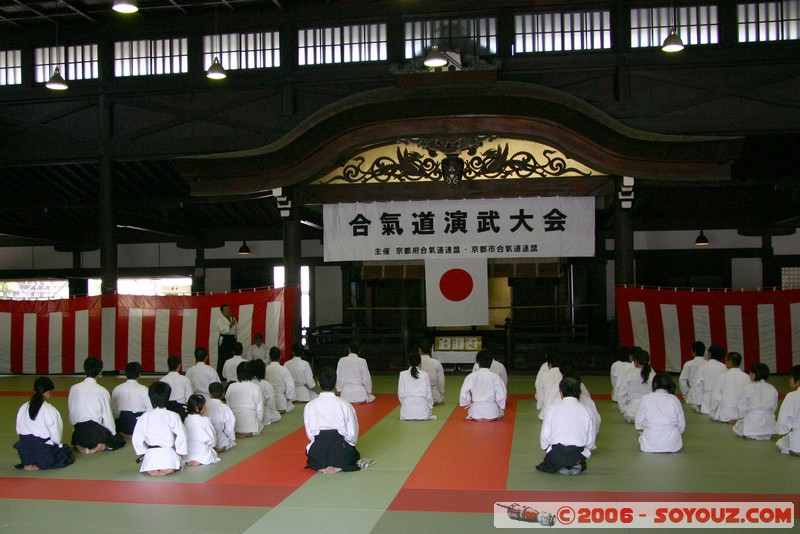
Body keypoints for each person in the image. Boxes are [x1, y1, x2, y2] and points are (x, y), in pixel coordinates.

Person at [304, 367, 368, 473]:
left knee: (314, 455)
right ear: (336, 383)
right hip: (342, 450)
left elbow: (310, 434)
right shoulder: (345, 404)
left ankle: (323, 464)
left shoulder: (310, 405)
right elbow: (352, 434)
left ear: (318, 383)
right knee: (353, 455)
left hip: (319, 451)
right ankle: (339, 464)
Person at [536, 375, 596, 475]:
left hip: (556, 454)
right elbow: (590, 442)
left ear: (561, 393)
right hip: (578, 454)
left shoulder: (552, 408)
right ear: (579, 393)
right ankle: (575, 464)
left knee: (548, 462)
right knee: (578, 457)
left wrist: (547, 449)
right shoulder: (587, 410)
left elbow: (544, 437)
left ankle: (560, 464)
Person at [13, 377, 75, 471]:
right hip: (42, 451)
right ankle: (40, 464)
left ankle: (29, 463)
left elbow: (19, 431)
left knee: (34, 447)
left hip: (24, 453)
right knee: (66, 453)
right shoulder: (50, 410)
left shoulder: (23, 407)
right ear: (48, 392)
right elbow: (57, 439)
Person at [68, 357, 126, 454]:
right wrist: (113, 434)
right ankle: (101, 446)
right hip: (95, 432)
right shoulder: (102, 391)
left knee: (82, 439)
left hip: (78, 432)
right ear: (99, 372)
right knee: (119, 441)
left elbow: (72, 413)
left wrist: (75, 429)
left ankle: (80, 446)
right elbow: (108, 417)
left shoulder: (74, 388)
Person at [132, 381, 188, 477]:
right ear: (167, 398)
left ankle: (151, 467)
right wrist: (180, 452)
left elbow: (136, 439)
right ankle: (169, 468)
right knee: (173, 462)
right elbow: (182, 435)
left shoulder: (144, 417)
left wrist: (143, 453)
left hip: (150, 455)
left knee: (150, 463)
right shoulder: (173, 415)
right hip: (168, 454)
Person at [635, 372, 685, 453]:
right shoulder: (674, 399)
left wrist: (642, 430)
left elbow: (638, 422)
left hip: (650, 443)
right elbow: (681, 424)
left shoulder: (646, 398)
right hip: (672, 444)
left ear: (654, 384)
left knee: (644, 435)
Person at [733, 362, 778, 440]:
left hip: (753, 422)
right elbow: (774, 407)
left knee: (736, 428)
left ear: (754, 375)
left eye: (750, 372)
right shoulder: (772, 388)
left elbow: (741, 406)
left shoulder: (748, 388)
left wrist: (743, 417)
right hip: (768, 424)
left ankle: (753, 432)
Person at [459, 349, 507, 421]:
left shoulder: (471, 376)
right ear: (491, 362)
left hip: (475, 413)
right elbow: (502, 395)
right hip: (492, 413)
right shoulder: (496, 377)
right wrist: (500, 405)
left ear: (478, 362)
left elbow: (463, 394)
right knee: (499, 411)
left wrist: (468, 404)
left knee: (472, 410)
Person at [111, 362, 152, 437]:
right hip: (138, 424)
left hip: (123, 423)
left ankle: (123, 434)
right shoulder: (144, 389)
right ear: (139, 375)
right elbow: (150, 409)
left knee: (117, 422)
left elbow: (114, 410)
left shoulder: (117, 389)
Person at [225, 362, 264, 437]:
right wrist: (258, 420)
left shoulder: (231, 387)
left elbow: (228, 407)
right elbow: (260, 409)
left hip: (234, 426)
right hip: (251, 426)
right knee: (260, 425)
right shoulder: (255, 387)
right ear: (251, 373)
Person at [710, 352, 750, 423]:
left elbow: (715, 397)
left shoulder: (722, 377)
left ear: (730, 362)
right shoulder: (747, 377)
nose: (725, 362)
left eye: (726, 360)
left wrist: (713, 410)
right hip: (742, 414)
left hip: (726, 413)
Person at [617, 349, 654, 423]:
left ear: (635, 361)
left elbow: (621, 393)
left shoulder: (629, 374)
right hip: (649, 412)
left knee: (633, 416)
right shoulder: (652, 374)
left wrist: (624, 409)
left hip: (632, 413)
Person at [183, 394, 221, 467]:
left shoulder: (186, 419)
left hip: (188, 455)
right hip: (203, 454)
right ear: (197, 408)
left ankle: (193, 459)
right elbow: (213, 442)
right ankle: (199, 459)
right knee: (209, 451)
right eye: (204, 405)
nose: (205, 407)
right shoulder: (205, 421)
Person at [398, 352, 435, 421]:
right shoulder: (425, 374)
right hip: (423, 412)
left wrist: (406, 404)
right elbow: (429, 394)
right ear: (420, 362)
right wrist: (430, 406)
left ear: (408, 362)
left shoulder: (402, 374)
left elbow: (400, 394)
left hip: (406, 412)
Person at [691, 344, 727, 414]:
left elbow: (697, 386)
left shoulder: (703, 367)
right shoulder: (725, 368)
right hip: (721, 400)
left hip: (706, 400)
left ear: (710, 354)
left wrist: (698, 403)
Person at [204, 382, 236, 453]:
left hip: (206, 440)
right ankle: (223, 447)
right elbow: (230, 428)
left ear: (209, 394)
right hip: (220, 442)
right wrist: (231, 438)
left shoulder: (204, 405)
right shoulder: (225, 408)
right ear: (223, 394)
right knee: (231, 443)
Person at [776, 365, 800, 456]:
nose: (789, 381)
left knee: (781, 443)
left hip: (798, 437)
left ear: (798, 380)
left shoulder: (792, 396)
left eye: (791, 378)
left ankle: (795, 450)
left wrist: (784, 430)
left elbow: (784, 420)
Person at [249, 359, 282, 424]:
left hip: (249, 413)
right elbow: (271, 404)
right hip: (264, 413)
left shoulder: (247, 383)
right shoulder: (266, 384)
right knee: (277, 415)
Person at [160, 355, 193, 420]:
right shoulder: (185, 380)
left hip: (166, 410)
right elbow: (189, 398)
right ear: (179, 366)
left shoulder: (162, 380)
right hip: (181, 411)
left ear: (168, 365)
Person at [266, 346, 296, 413]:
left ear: (270, 357)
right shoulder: (283, 369)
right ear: (280, 357)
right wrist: (288, 397)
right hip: (280, 399)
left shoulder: (265, 369)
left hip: (268, 398)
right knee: (291, 406)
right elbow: (291, 385)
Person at [678, 341, 706, 406]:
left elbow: (682, 380)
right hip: (705, 394)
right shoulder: (707, 364)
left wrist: (686, 392)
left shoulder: (689, 364)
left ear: (694, 352)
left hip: (692, 395)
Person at [418, 339, 445, 405]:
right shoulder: (436, 362)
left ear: (419, 350)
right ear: (430, 349)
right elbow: (441, 381)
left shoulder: (416, 362)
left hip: (418, 394)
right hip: (433, 394)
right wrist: (441, 393)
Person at [216, 303, 238, 377]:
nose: (228, 310)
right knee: (224, 357)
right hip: (225, 339)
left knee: (232, 356)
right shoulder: (220, 320)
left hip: (232, 339)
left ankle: (232, 374)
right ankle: (222, 375)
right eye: (226, 309)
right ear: (222, 312)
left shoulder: (233, 318)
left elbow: (236, 329)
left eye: (228, 309)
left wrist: (235, 338)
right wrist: (231, 324)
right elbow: (223, 330)